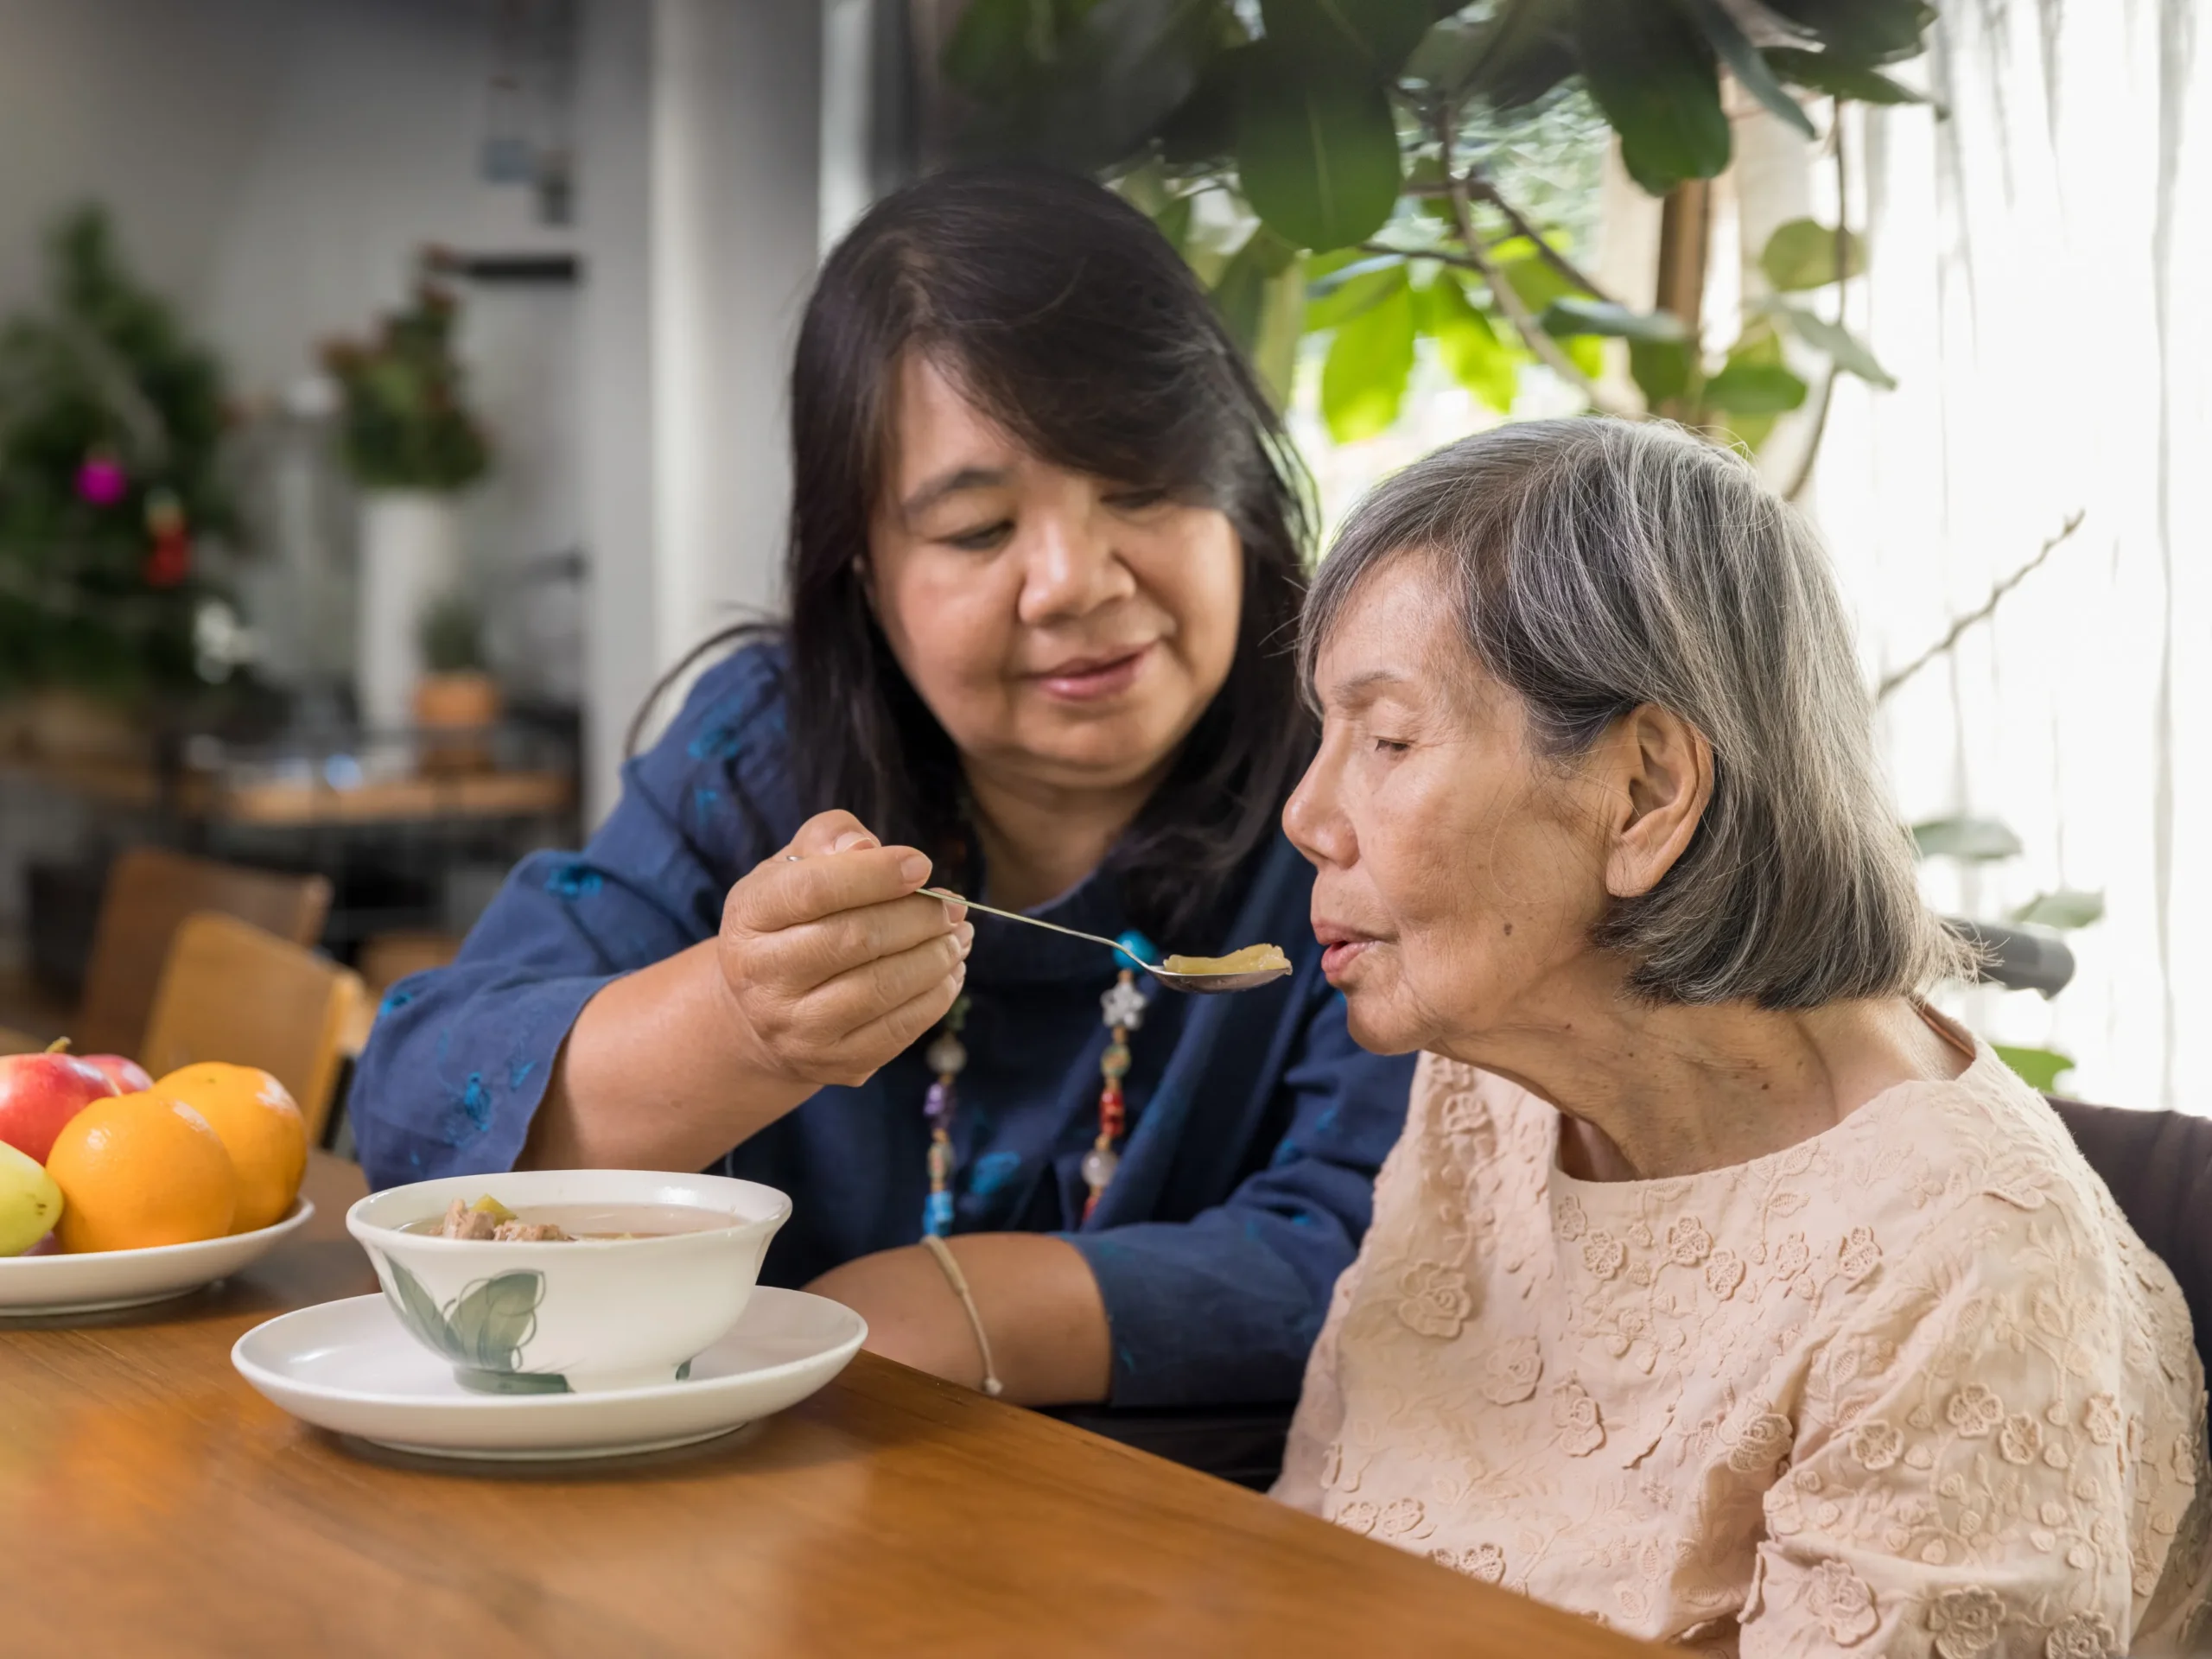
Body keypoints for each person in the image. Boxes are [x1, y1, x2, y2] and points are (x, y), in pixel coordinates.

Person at [350, 168, 1413, 1413]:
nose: (1071, 580)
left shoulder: (1369, 786)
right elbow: (420, 1114)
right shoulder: (763, 750)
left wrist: (951, 1309)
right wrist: (739, 1024)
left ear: (1239, 489)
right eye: (975, 532)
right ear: (861, 568)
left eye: (1140, 486)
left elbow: (1387, 1241)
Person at [1273, 418, 2209, 1655]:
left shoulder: (1966, 1263)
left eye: (1387, 741)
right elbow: (1309, 1551)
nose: (1305, 814)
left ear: (1648, 792)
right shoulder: (1485, 1095)